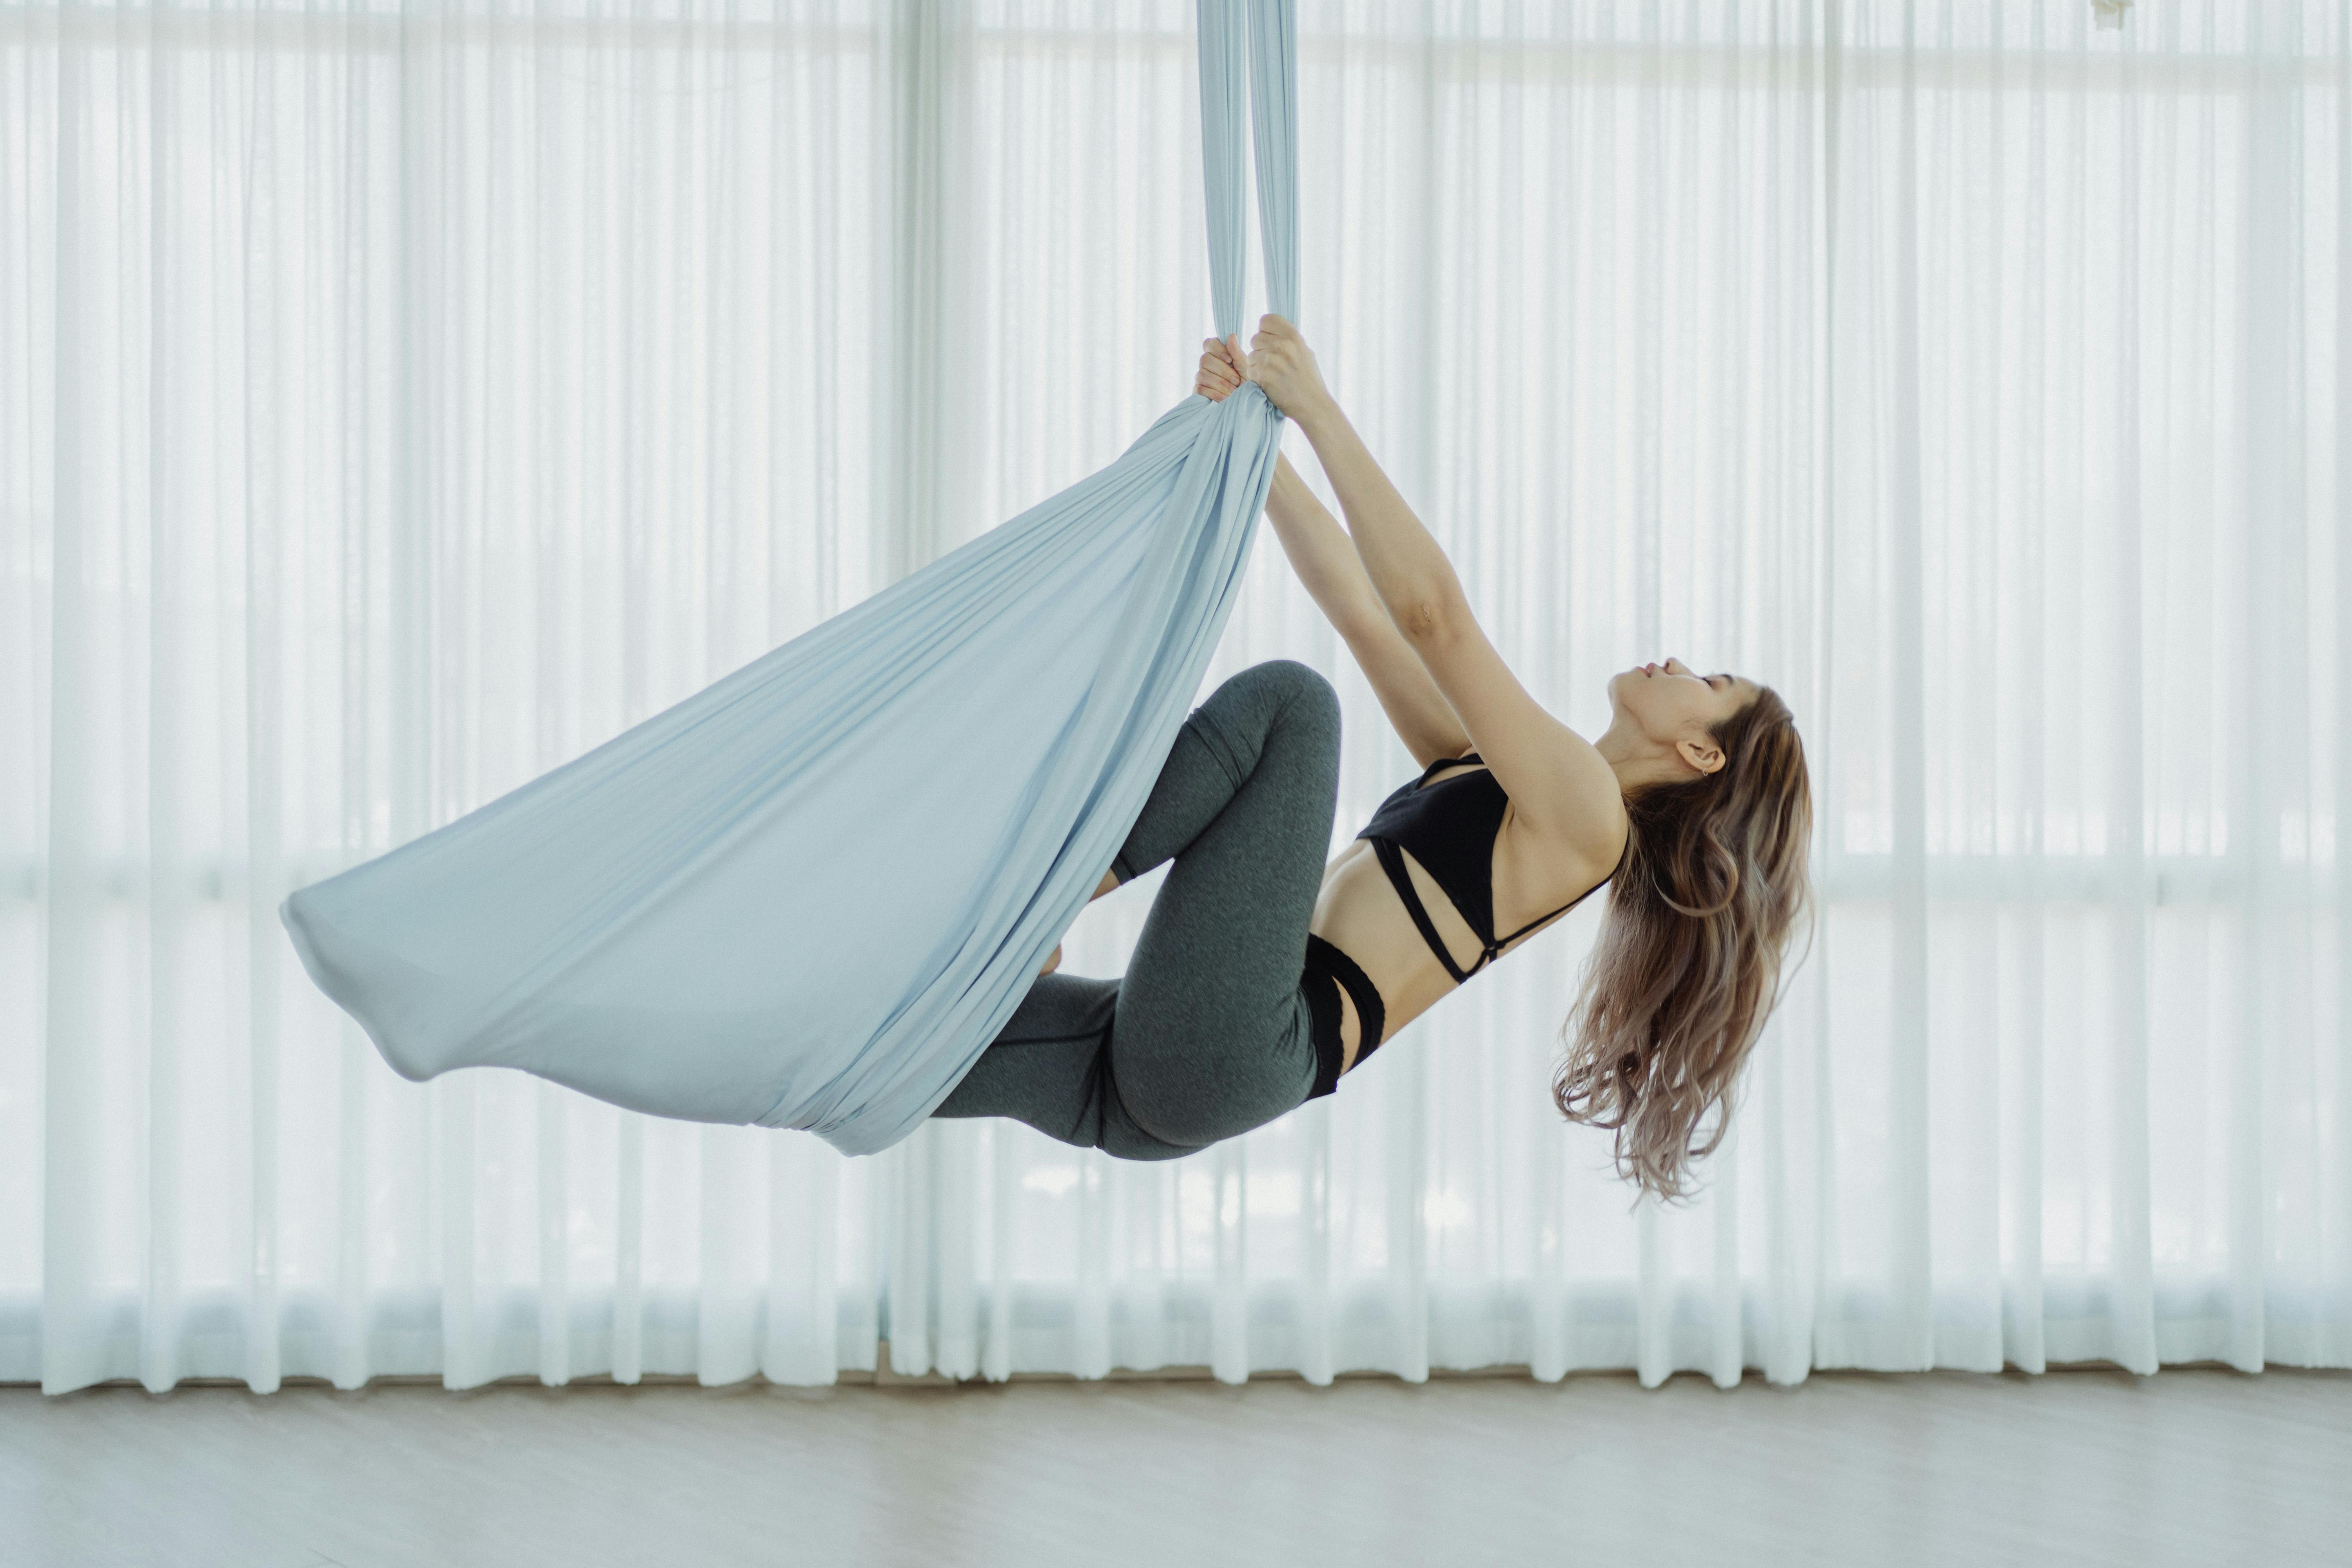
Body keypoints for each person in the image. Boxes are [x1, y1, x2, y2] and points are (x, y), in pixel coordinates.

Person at [931, 316, 1813, 1201]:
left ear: (1702, 751)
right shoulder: (1501, 780)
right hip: (1183, 1071)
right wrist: (1251, 436)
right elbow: (1363, 607)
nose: (1677, 661)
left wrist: (1314, 405)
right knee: (912, 1026)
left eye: (1709, 679)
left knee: (1294, 707)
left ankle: (1040, 899)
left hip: (1235, 1044)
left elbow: (1434, 615)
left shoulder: (1590, 819)